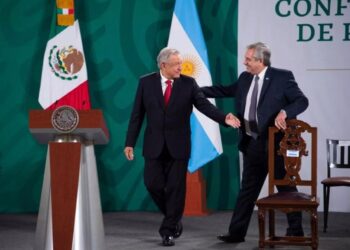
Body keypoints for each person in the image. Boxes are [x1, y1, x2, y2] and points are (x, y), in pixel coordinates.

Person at [124, 47, 240, 247]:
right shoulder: (146, 82)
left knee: (177, 189)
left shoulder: (188, 84)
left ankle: (168, 231)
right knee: (152, 183)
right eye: (176, 64)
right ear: (163, 65)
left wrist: (224, 118)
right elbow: (137, 115)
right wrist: (129, 143)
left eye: (180, 63)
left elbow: (204, 106)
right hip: (154, 145)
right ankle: (174, 216)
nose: (180, 67)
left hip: (179, 145)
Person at [201, 42, 308, 243]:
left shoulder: (282, 77)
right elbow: (224, 90)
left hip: (276, 145)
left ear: (260, 60)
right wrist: (195, 90)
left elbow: (302, 101)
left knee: (285, 187)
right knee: (247, 191)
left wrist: (285, 112)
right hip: (252, 143)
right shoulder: (244, 78)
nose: (244, 62)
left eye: (248, 59)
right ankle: (236, 233)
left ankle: (296, 230)